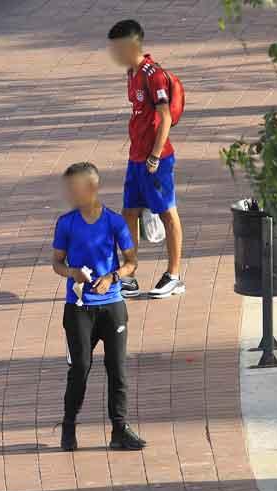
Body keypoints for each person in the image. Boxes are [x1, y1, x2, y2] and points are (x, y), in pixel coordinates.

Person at [51, 162, 147, 452]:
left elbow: (131, 262)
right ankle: (69, 427)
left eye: (74, 188)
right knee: (80, 367)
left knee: (117, 368)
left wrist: (113, 277)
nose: (69, 194)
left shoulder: (114, 222)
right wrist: (72, 273)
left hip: (112, 304)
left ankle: (119, 428)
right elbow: (57, 262)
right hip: (79, 306)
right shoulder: (66, 223)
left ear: (91, 188)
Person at [107, 18, 185, 298]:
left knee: (167, 212)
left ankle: (174, 275)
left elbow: (164, 117)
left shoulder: (154, 75)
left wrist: (154, 156)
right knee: (129, 212)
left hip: (156, 159)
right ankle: (130, 273)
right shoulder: (131, 72)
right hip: (136, 156)